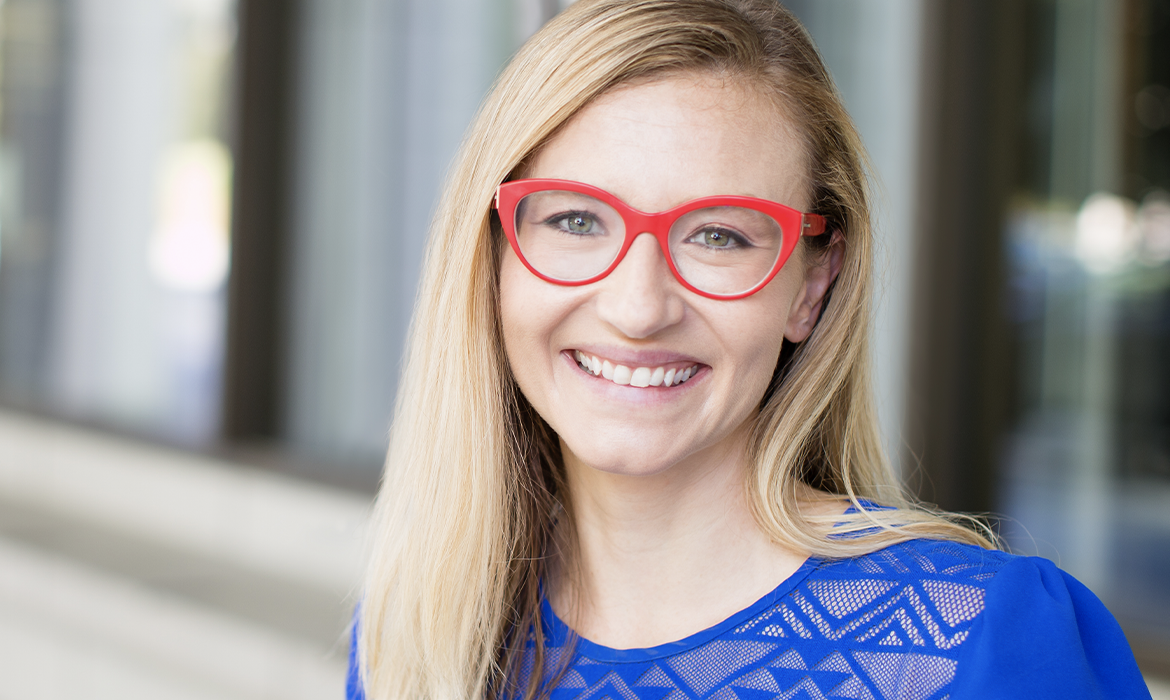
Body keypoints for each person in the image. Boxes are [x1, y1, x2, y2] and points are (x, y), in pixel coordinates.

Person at [348, 1, 1153, 698]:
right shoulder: (423, 636)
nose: (638, 308)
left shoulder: (980, 645)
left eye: (718, 236)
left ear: (811, 285)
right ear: (490, 256)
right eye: (575, 221)